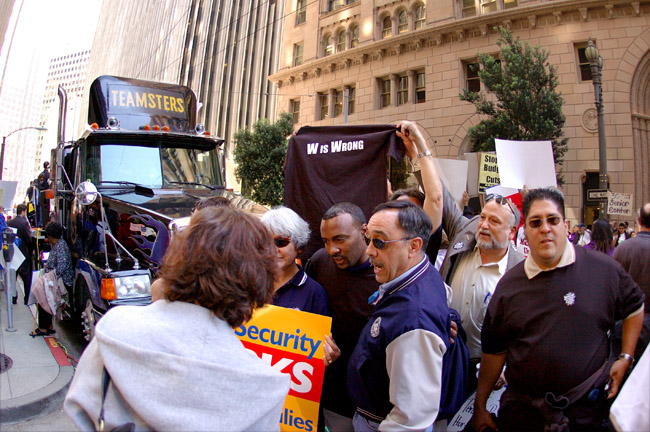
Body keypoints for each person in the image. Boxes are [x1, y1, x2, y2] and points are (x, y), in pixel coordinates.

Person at [65, 207, 290, 431]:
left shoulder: (115, 329)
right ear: (258, 280)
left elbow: (81, 406)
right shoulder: (263, 385)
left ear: (178, 255)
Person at [471, 188, 645, 432]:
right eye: (535, 222)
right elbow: (493, 353)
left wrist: (625, 357)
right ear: (524, 232)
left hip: (585, 416)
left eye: (552, 220)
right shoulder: (508, 287)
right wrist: (480, 406)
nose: (545, 228)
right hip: (523, 418)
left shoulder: (603, 270)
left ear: (565, 225)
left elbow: (635, 308)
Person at [347, 200, 456, 431]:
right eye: (368, 237)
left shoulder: (413, 321)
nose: (368, 250)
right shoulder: (421, 274)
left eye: (379, 241)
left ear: (414, 246)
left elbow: (410, 420)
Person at [304, 202, 378, 430]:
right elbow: (306, 311)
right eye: (326, 241)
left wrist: (449, 319)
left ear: (364, 231)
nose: (331, 250)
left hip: (374, 402)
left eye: (340, 239)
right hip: (332, 397)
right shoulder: (318, 262)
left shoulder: (384, 270)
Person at [260, 206, 329, 316]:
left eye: (281, 242)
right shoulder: (250, 283)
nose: (273, 249)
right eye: (266, 242)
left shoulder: (314, 293)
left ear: (298, 245)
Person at [613, 202, 650, 360]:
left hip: (626, 327)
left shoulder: (623, 248)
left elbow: (613, 288)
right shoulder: (623, 248)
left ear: (639, 221)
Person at [30, 221, 73, 336]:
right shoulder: (57, 245)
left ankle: (44, 327)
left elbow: (61, 267)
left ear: (50, 235)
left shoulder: (61, 247)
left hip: (61, 280)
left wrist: (49, 277)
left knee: (42, 293)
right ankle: (48, 325)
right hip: (56, 277)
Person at [7, 204, 33, 305]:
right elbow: (28, 239)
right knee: (26, 277)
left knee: (13, 276)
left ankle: (14, 298)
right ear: (23, 211)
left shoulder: (10, 222)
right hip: (23, 253)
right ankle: (27, 299)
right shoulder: (24, 223)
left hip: (13, 253)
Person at [37, 161, 51, 227]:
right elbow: (49, 183)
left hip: (40, 194)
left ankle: (40, 223)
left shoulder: (40, 175)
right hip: (46, 194)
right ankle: (45, 224)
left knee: (41, 210)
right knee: (46, 211)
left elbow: (38, 184)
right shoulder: (48, 174)